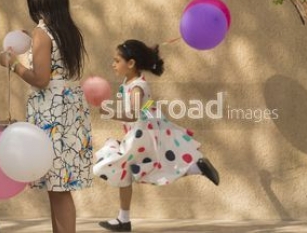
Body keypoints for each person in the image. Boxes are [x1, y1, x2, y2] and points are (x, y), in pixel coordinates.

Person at [93, 39, 219, 232]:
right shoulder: (130, 82)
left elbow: (134, 113)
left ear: (131, 63)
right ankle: (123, 220)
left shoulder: (137, 86)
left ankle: (196, 167)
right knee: (129, 171)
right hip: (140, 131)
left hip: (143, 132)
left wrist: (108, 112)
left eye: (117, 60)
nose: (113, 64)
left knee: (130, 166)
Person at [0, 0, 93, 233]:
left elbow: (40, 79)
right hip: (70, 109)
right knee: (59, 186)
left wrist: (14, 64)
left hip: (52, 114)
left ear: (36, 4)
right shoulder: (68, 31)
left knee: (58, 187)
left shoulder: (43, 33)